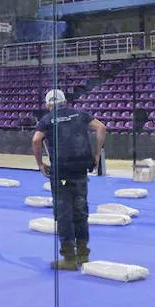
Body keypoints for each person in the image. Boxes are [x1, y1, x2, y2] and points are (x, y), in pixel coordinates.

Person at [32, 89, 107, 271]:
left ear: (48, 105)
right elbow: (101, 128)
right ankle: (83, 254)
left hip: (61, 171)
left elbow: (36, 140)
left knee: (64, 214)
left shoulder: (48, 119)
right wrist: (96, 154)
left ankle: (69, 257)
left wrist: (40, 163)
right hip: (80, 170)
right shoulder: (80, 114)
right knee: (81, 211)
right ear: (65, 101)